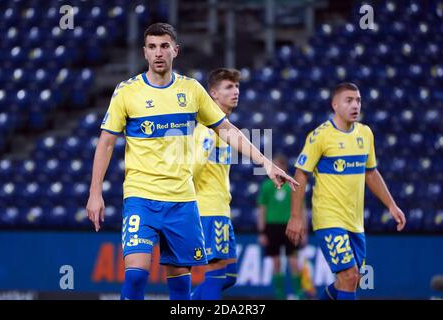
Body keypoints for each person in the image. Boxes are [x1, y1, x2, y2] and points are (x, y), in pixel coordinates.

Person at [86, 22, 298, 300]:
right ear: (144, 52)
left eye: (164, 46)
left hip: (183, 201)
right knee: (136, 273)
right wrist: (94, 192)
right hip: (141, 196)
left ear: (176, 50)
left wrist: (265, 163)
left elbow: (227, 129)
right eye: (152, 47)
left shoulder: (192, 90)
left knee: (180, 283)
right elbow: (107, 142)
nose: (158, 52)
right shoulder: (127, 92)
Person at [286, 82, 407, 300]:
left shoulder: (365, 133)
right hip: (329, 218)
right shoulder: (320, 136)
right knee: (349, 276)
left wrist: (391, 205)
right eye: (348, 100)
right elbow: (300, 174)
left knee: (351, 280)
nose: (355, 105)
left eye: (358, 100)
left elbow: (371, 173)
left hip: (355, 221)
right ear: (335, 105)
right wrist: (296, 217)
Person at [190, 68, 240, 300]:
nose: (236, 91)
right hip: (209, 210)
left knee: (229, 275)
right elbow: (192, 169)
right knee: (216, 273)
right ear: (213, 94)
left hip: (221, 209)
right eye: (228, 87)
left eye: (236, 86)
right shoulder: (208, 130)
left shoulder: (223, 128)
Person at [257, 153, 310, 300]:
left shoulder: (291, 185)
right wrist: (262, 231)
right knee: (276, 262)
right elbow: (262, 209)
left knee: (293, 261)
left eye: (277, 165)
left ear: (284, 167)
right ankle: (280, 295)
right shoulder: (267, 186)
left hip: (290, 226)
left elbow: (302, 209)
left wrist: (303, 230)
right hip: (272, 227)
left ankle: (299, 295)